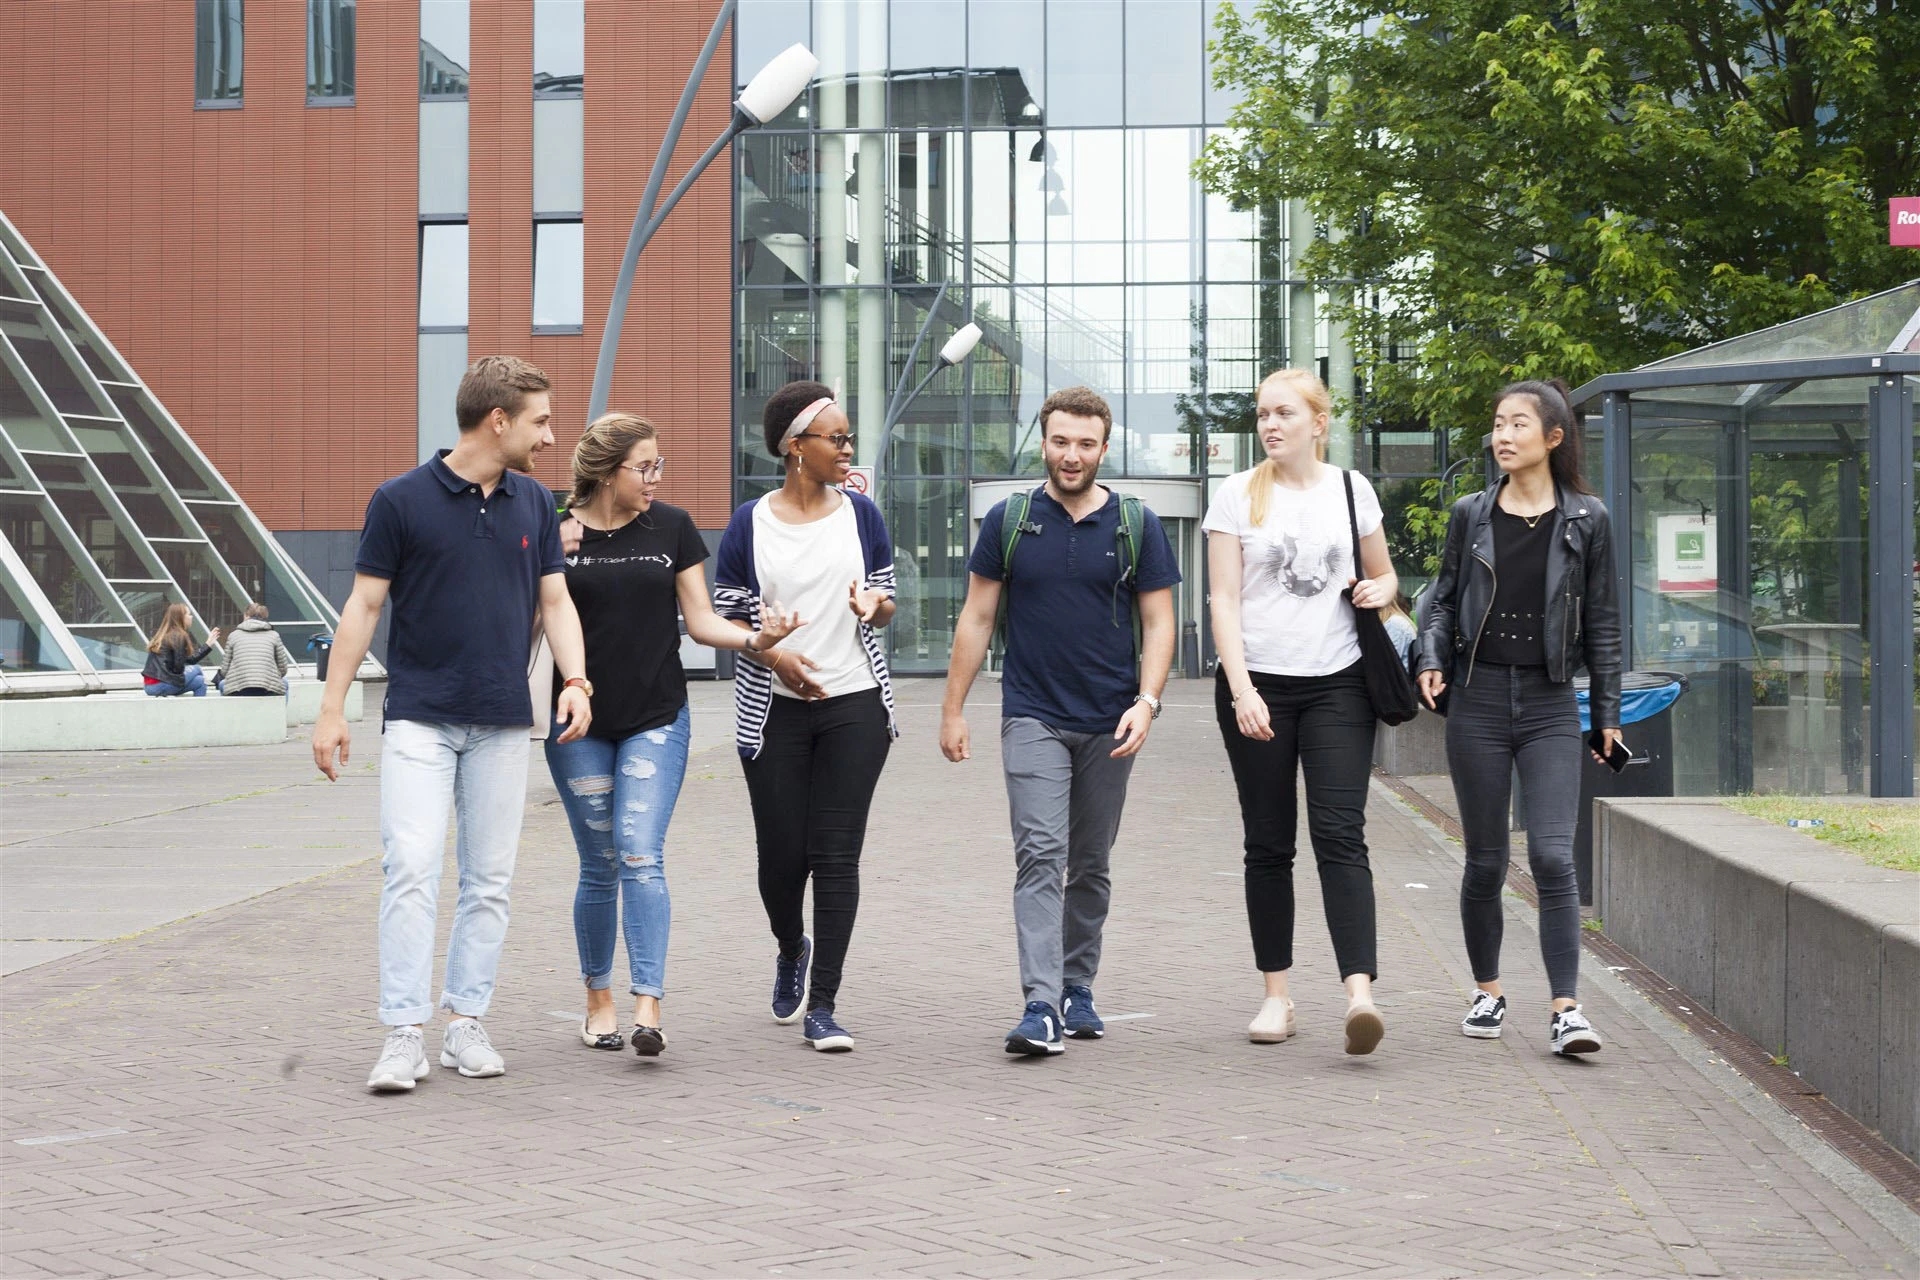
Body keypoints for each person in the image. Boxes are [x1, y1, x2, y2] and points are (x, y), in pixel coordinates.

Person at [311, 355, 593, 1094]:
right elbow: (364, 607)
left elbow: (556, 603)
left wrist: (578, 682)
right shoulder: (400, 499)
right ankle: (404, 1034)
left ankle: (466, 1022)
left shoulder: (535, 502)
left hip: (502, 721)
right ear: (497, 421)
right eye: (539, 420)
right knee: (410, 869)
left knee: (489, 880)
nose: (549, 434)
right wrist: (333, 708)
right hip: (419, 720)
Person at [548, 412, 801, 1058]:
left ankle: (648, 1005)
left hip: (656, 716)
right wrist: (551, 553)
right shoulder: (557, 530)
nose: (656, 478)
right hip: (578, 721)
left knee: (638, 850)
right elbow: (533, 613)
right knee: (599, 862)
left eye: (660, 465)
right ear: (607, 470)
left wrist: (757, 642)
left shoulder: (674, 527)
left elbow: (702, 620)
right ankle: (598, 998)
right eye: (645, 467)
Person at [940, 386, 1180, 1057]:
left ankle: (1078, 989)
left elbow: (1159, 622)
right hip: (1033, 716)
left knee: (1092, 863)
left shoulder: (1136, 523)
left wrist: (1148, 701)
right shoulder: (1009, 520)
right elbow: (978, 617)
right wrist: (953, 709)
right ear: (1042, 442)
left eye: (1084, 443)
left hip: (1112, 721)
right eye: (1059, 441)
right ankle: (1040, 1004)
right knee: (1041, 853)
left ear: (1104, 448)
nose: (1070, 455)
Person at [1414, 378, 1621, 1056]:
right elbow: (1442, 599)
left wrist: (1608, 718)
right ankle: (1488, 989)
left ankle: (1566, 1009)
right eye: (1498, 424)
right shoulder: (1471, 514)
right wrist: (1431, 658)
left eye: (1518, 425)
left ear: (1553, 438)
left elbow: (1607, 626)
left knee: (1555, 858)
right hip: (1476, 700)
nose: (1503, 436)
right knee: (1485, 860)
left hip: (1550, 702)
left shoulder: (1588, 519)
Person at [1205, 368, 1401, 1055]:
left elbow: (1387, 575)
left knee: (1341, 832)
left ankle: (1360, 995)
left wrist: (1381, 591)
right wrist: (1241, 690)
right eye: (1263, 414)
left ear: (1318, 422)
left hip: (1339, 684)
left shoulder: (1353, 490)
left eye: (1284, 412)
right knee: (1268, 842)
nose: (1270, 424)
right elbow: (1223, 600)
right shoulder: (1236, 495)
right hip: (1258, 687)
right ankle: (1277, 998)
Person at [714, 380, 897, 1053]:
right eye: (836, 438)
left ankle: (824, 1004)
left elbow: (886, 600)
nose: (848, 447)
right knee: (782, 859)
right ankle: (792, 945)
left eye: (848, 437)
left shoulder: (861, 515)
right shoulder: (748, 524)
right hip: (775, 714)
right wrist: (773, 654)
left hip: (854, 703)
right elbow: (729, 619)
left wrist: (874, 609)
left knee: (836, 854)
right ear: (795, 448)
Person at [142, 603, 219, 696]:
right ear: (181, 617)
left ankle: (197, 708)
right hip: (162, 684)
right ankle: (199, 709)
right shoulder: (178, 636)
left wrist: (208, 645)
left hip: (150, 686)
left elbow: (189, 660)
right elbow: (178, 668)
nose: (192, 617)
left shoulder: (164, 635)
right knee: (197, 668)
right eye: (189, 614)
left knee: (200, 682)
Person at [217, 603, 293, 696]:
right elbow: (283, 669)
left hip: (238, 689)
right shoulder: (274, 635)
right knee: (284, 683)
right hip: (267, 689)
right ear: (264, 617)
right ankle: (282, 710)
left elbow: (224, 671)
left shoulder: (233, 635)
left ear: (246, 615)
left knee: (222, 684)